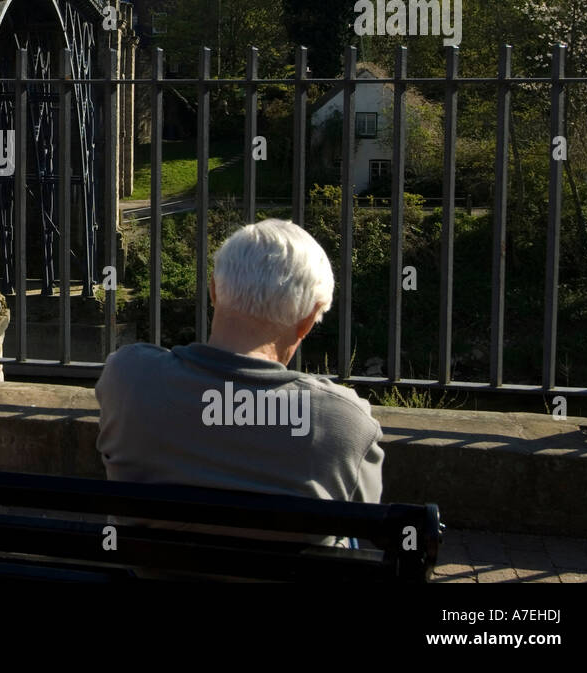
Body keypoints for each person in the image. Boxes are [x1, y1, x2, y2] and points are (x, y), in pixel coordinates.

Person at [95, 218, 383, 558]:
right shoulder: (346, 421)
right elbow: (369, 520)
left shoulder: (127, 377)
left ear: (214, 290)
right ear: (309, 319)